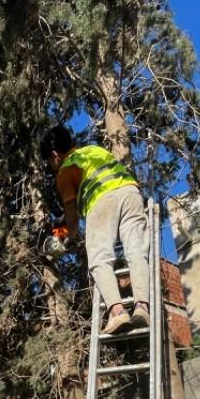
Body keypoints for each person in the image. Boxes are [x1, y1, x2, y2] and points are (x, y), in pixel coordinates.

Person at [40, 125, 150, 334]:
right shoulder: (94, 150)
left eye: (50, 163)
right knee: (136, 251)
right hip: (130, 193)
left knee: (100, 258)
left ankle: (117, 312)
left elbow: (72, 224)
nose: (52, 167)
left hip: (102, 200)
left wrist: (60, 240)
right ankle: (142, 308)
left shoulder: (64, 172)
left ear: (55, 155)